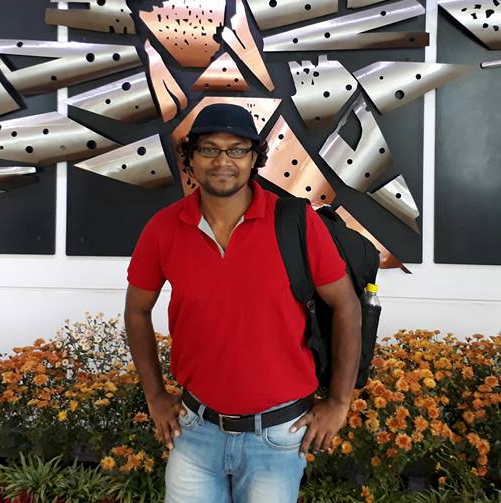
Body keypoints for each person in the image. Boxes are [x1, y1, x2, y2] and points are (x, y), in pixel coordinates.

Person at [124, 103, 362, 503]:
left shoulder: (296, 222)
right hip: (195, 431)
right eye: (209, 149)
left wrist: (339, 402)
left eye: (236, 150)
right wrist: (155, 396)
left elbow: (347, 306)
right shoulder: (164, 227)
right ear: (190, 159)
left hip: (279, 436)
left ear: (254, 159)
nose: (223, 161)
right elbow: (136, 310)